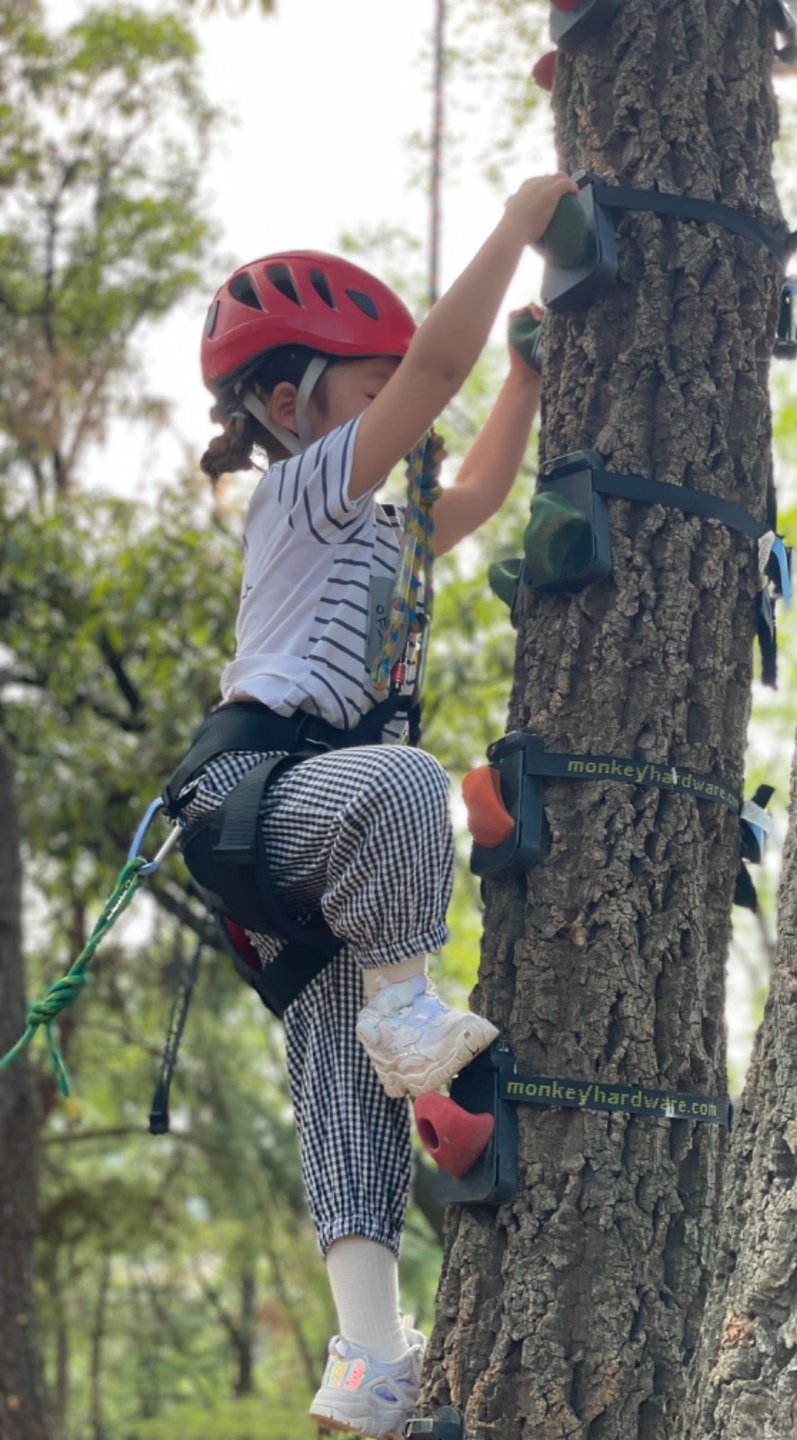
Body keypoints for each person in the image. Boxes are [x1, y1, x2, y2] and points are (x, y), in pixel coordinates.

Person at [167, 171, 578, 1438]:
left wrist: (526, 383)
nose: (395, 406)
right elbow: (432, 379)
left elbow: (479, 496)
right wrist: (515, 228)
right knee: (406, 784)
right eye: (368, 384)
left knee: (343, 1092)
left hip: (320, 843)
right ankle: (407, 1003)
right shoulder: (301, 492)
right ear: (291, 407)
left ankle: (369, 1366)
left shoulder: (386, 527)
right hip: (259, 793)